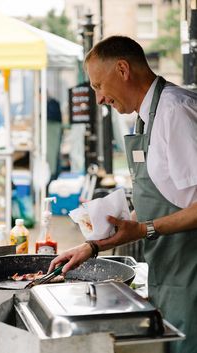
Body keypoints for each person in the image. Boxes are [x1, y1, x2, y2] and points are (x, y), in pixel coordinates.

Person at [49, 35, 197, 353]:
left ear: (123, 69)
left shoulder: (175, 112)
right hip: (169, 276)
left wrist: (145, 229)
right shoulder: (146, 118)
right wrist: (94, 243)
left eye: (99, 86)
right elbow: (163, 198)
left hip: (191, 279)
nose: (100, 99)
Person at [39, 89, 62, 181]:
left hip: (52, 135)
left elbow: (53, 117)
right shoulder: (48, 104)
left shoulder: (52, 104)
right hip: (49, 135)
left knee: (52, 155)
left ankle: (52, 176)